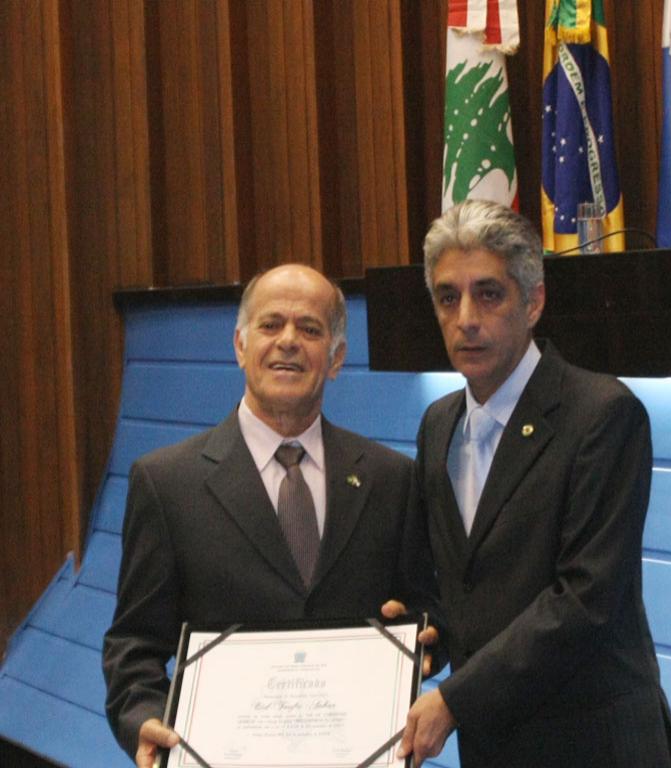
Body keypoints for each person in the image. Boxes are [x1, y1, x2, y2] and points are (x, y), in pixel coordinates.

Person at [103, 264, 439, 767]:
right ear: (240, 346)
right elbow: (135, 642)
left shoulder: (392, 479)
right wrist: (144, 716)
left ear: (336, 358)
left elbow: (427, 612)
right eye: (270, 324)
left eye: (310, 329)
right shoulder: (166, 483)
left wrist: (427, 640)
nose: (288, 341)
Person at [398, 200, 671, 768]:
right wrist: (423, 634)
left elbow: (584, 600)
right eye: (448, 297)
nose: (466, 319)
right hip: (494, 747)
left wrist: (454, 700)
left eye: (488, 294)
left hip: (595, 746)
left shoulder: (602, 414)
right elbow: (462, 583)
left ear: (533, 302)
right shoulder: (438, 424)